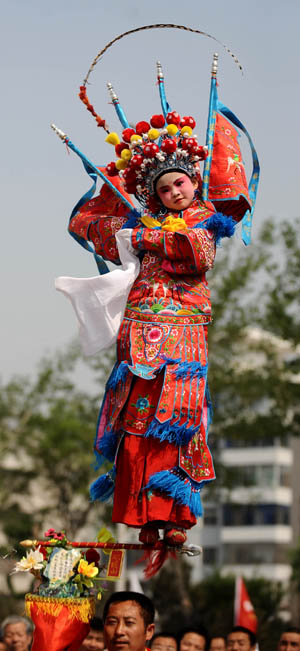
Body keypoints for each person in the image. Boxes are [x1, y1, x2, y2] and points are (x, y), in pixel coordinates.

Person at [62, 62, 253, 548]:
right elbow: (95, 230)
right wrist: (133, 233)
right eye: (164, 188)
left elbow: (197, 254)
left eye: (180, 185)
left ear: (194, 182)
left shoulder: (206, 219)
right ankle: (143, 512)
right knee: (137, 420)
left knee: (178, 421)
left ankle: (172, 511)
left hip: (184, 335)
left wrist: (150, 237)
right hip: (140, 332)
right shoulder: (144, 224)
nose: (173, 192)